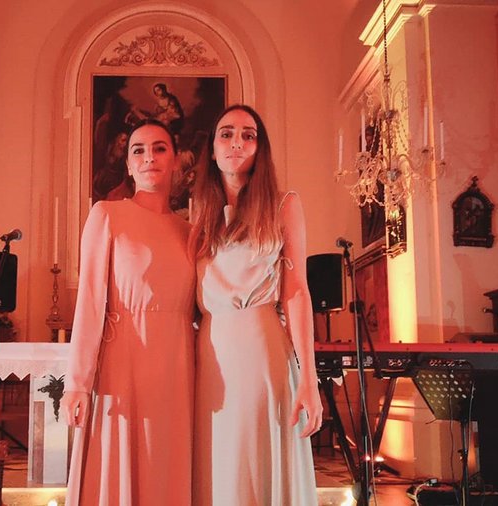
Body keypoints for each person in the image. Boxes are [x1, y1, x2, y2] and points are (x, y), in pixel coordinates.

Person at [189, 104, 322, 504]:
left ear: (259, 148)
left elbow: (296, 290)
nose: (237, 142)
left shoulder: (284, 205)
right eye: (226, 133)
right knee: (217, 460)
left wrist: (309, 379)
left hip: (260, 346)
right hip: (209, 352)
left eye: (248, 135)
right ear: (212, 149)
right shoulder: (200, 214)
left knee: (255, 457)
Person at [61, 119, 195, 505]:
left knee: (168, 468)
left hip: (178, 368)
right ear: (129, 165)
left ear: (175, 161)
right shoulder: (106, 215)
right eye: (138, 150)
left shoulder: (190, 232)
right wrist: (77, 383)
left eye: (159, 148)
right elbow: (89, 301)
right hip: (123, 366)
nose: (148, 157)